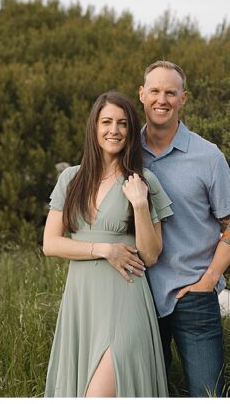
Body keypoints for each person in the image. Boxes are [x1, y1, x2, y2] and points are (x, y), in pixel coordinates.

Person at [43, 91, 173, 397]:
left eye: (123, 123)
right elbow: (50, 244)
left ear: (130, 131)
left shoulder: (143, 181)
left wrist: (140, 205)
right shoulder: (71, 180)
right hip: (82, 304)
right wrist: (104, 249)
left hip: (126, 300)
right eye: (107, 122)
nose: (114, 130)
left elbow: (151, 255)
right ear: (94, 127)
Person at [138, 60, 230, 397]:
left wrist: (209, 280)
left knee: (206, 392)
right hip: (136, 294)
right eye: (154, 90)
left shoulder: (208, 156)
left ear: (183, 98)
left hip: (193, 295)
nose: (162, 99)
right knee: (145, 392)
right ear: (141, 94)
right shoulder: (124, 152)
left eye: (171, 92)